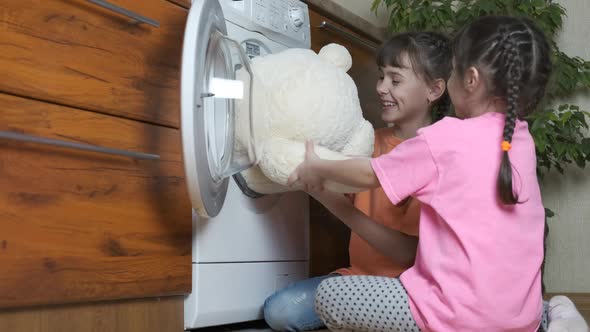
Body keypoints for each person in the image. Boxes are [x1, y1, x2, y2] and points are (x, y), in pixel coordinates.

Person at [289, 16, 588, 331]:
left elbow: (367, 175)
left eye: (453, 71)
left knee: (331, 296)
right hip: (518, 318)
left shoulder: (445, 138)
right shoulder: (520, 140)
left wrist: (316, 164)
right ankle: (550, 312)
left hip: (455, 317)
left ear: (470, 79)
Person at [262, 31, 453, 331]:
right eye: (381, 77)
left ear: (433, 89)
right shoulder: (369, 141)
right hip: (355, 278)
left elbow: (408, 254)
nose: (381, 88)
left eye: (395, 80)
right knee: (280, 311)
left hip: (409, 291)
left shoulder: (439, 156)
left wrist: (324, 195)